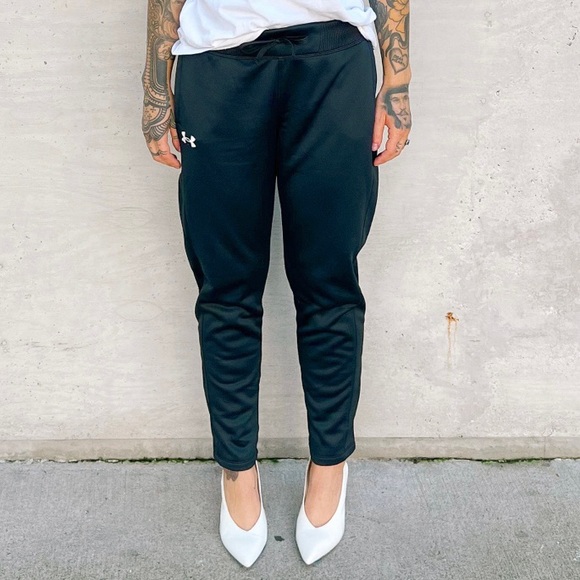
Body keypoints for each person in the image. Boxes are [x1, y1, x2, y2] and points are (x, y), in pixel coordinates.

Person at [141, 0, 412, 568]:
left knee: (329, 283)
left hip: (335, 59)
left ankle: (330, 463)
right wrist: (155, 88)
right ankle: (237, 469)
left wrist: (397, 82)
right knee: (225, 289)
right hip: (216, 65)